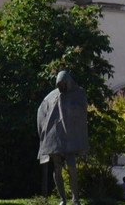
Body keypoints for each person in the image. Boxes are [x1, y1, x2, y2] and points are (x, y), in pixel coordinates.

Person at [37, 70, 89, 205]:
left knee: (72, 166)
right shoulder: (52, 96)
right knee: (57, 167)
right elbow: (42, 112)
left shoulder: (79, 93)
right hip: (55, 136)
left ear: (69, 82)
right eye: (59, 85)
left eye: (63, 84)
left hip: (70, 136)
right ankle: (62, 199)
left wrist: (66, 105)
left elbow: (82, 110)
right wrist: (43, 133)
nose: (62, 88)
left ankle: (75, 199)